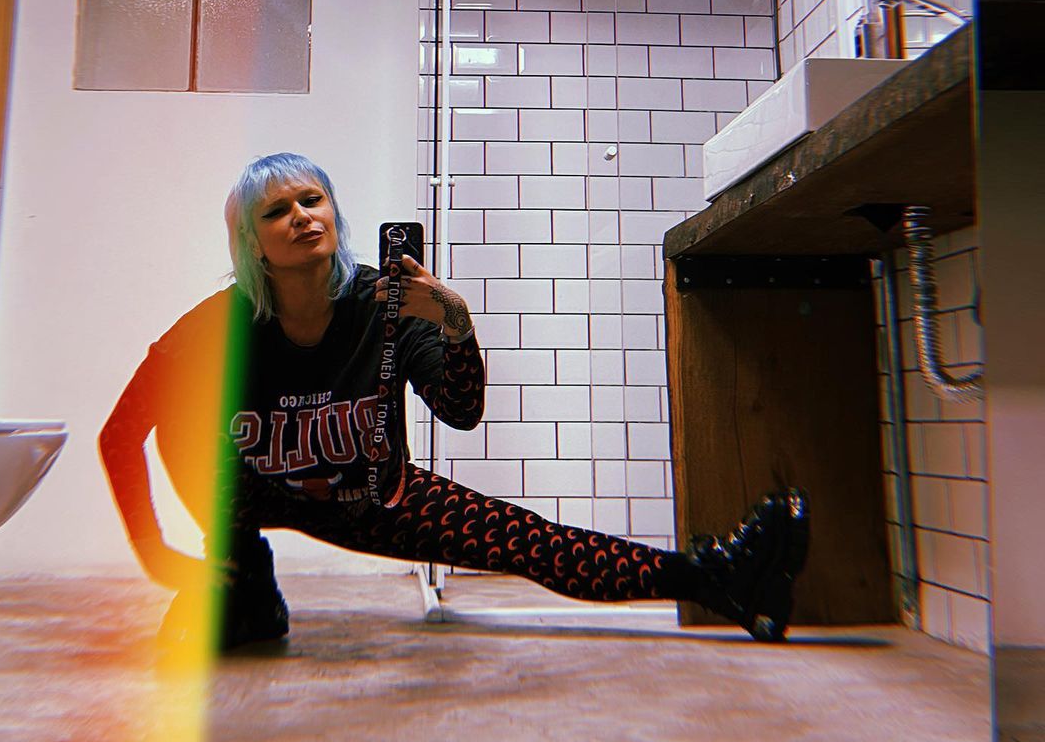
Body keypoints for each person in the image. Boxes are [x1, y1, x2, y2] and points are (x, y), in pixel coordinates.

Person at [99, 152, 810, 651]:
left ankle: (719, 577)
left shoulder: (388, 302)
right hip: (250, 494)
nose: (301, 217)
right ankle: (242, 578)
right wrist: (154, 551)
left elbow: (461, 410)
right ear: (252, 243)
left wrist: (457, 324)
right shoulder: (219, 326)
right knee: (207, 584)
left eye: (312, 199)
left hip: (373, 495)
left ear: (334, 212)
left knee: (523, 539)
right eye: (276, 211)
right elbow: (122, 431)